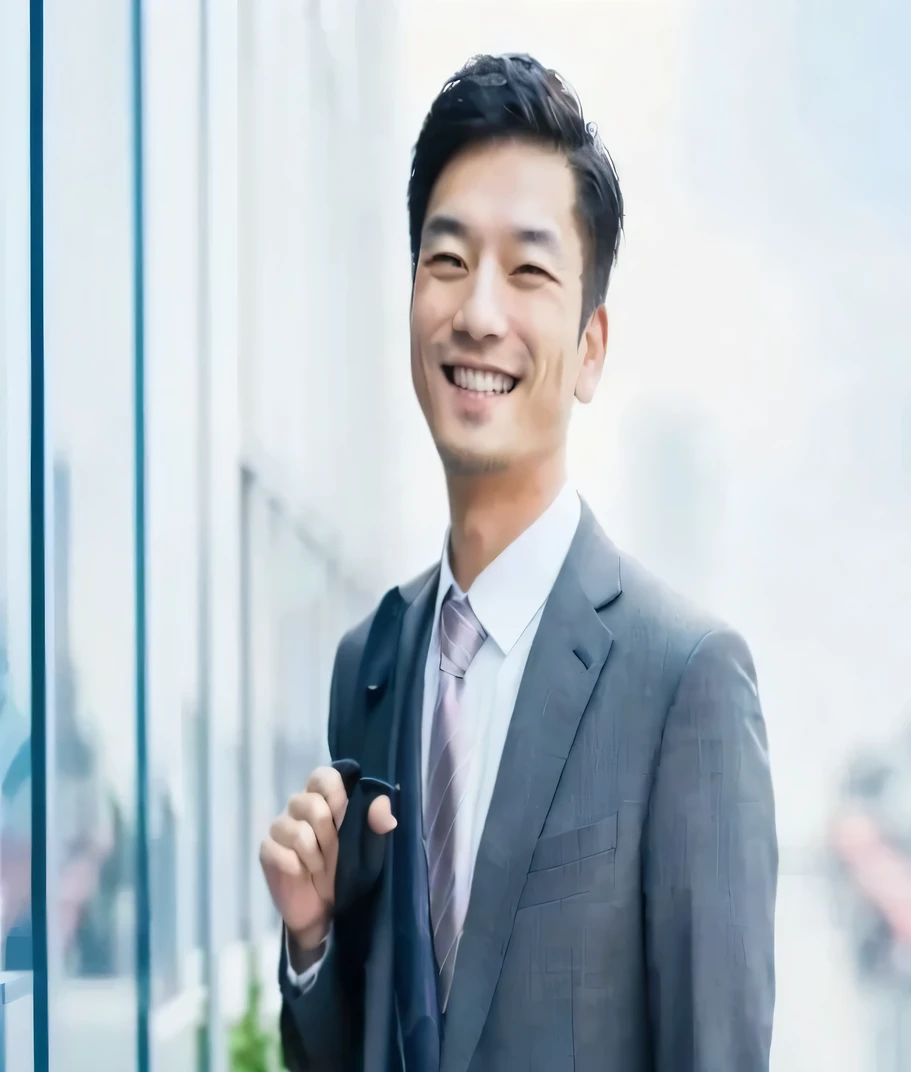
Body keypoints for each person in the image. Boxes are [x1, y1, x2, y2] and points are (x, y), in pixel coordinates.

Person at [261, 52, 777, 1072]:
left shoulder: (684, 680)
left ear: (590, 347)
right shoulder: (370, 660)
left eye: (528, 269)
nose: (479, 312)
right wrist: (313, 941)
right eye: (446, 260)